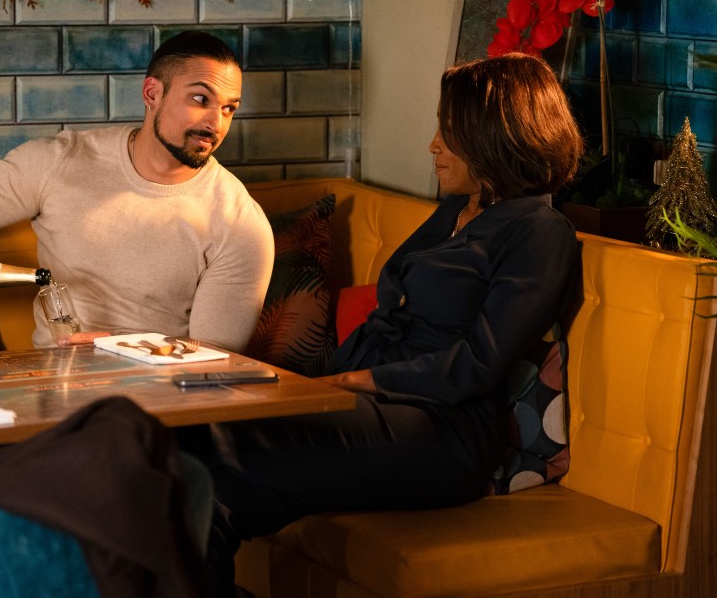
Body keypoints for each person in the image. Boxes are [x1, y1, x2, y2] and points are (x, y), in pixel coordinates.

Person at [175, 52, 584, 594]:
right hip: (371, 409)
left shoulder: (539, 230)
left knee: (212, 444)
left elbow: (478, 365)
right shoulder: (458, 209)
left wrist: (352, 382)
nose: (434, 146)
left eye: (449, 131)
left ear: (496, 135)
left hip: (442, 430)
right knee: (199, 490)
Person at [0, 31, 274, 351]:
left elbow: (214, 359)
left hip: (159, 404)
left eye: (228, 108)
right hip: (52, 389)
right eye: (200, 99)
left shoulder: (240, 222)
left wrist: (129, 347)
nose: (215, 123)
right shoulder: (60, 160)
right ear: (152, 93)